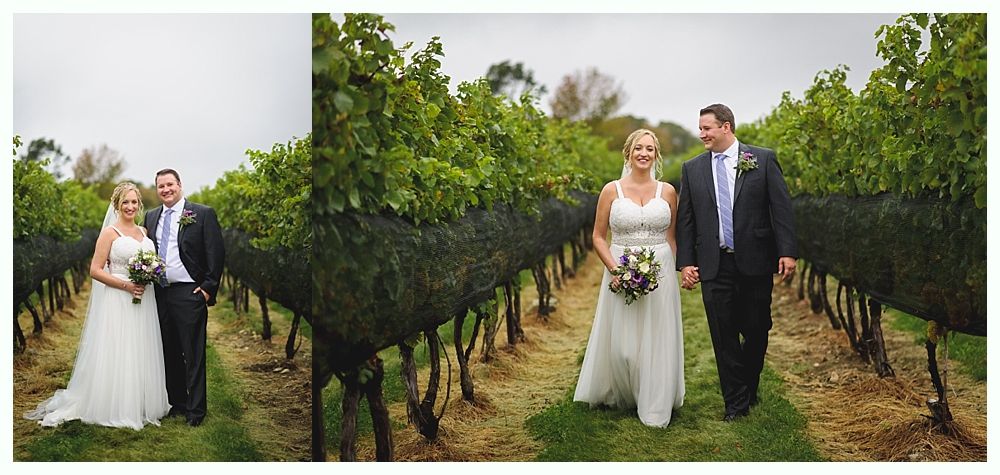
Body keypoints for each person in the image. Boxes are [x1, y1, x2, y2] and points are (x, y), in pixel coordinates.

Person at [676, 103, 797, 422]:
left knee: (757, 330)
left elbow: (781, 209)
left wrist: (787, 251)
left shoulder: (762, 159)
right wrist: (686, 262)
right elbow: (685, 219)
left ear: (726, 127)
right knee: (723, 334)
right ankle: (736, 403)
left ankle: (748, 384)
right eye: (700, 128)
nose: (701, 134)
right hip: (715, 264)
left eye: (707, 128)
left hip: (756, 260)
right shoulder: (692, 168)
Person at [25, 182, 171, 430]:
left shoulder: (144, 232)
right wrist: (126, 286)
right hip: (119, 297)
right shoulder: (109, 233)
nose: (130, 206)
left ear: (139, 204)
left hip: (144, 299)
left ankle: (140, 402)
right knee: (119, 348)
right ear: (116, 205)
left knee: (139, 346)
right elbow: (94, 270)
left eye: (134, 202)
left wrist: (148, 276)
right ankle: (115, 404)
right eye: (125, 202)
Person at [574, 129, 685, 428]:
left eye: (650, 148)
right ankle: (622, 389)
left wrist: (671, 273)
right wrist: (615, 270)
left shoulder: (668, 192)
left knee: (658, 336)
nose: (644, 153)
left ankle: (656, 400)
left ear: (656, 155)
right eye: (639, 148)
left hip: (659, 269)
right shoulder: (612, 190)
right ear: (628, 152)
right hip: (619, 266)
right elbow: (598, 237)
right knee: (624, 343)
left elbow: (672, 238)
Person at [145, 169, 224, 427]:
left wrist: (208, 287)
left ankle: (196, 410)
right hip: (160, 292)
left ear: (179, 185)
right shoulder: (151, 216)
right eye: (160, 186)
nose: (165, 190)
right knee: (168, 350)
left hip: (189, 292)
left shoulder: (201, 214)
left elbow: (215, 252)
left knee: (193, 353)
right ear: (156, 189)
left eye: (170, 184)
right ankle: (177, 403)